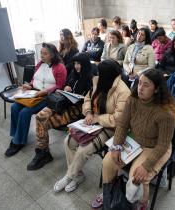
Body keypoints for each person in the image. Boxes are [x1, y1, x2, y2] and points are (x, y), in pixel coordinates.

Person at [101, 69, 175, 210]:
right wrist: (116, 146)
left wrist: (147, 165)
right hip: (135, 140)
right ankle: (110, 197)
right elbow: (123, 124)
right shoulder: (133, 100)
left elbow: (163, 145)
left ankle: (141, 204)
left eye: (146, 85)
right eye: (139, 83)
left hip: (155, 147)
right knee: (108, 161)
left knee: (136, 177)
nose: (140, 88)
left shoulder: (165, 113)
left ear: (156, 89)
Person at [53, 59, 131, 193]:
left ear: (108, 74)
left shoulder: (123, 91)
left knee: (84, 150)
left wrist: (98, 118)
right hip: (93, 122)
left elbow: (118, 119)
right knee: (68, 141)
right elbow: (88, 99)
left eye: (100, 72)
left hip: (110, 128)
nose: (97, 74)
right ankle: (78, 175)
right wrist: (88, 112)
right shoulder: (98, 81)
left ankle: (69, 176)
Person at [27, 53, 93, 170]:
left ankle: (43, 152)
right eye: (75, 63)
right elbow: (66, 85)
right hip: (63, 103)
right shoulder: (74, 73)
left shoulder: (91, 79)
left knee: (43, 121)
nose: (77, 66)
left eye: (79, 64)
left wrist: (78, 98)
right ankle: (43, 152)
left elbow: (89, 101)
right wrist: (66, 88)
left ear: (85, 64)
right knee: (39, 116)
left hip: (76, 110)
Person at [5, 43, 67, 157]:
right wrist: (29, 85)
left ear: (52, 55)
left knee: (25, 112)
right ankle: (16, 134)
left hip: (47, 96)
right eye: (41, 53)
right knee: (14, 107)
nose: (42, 56)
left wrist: (45, 91)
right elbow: (35, 79)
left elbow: (60, 86)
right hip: (34, 92)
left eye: (45, 53)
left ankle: (18, 142)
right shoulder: (40, 64)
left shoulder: (60, 67)